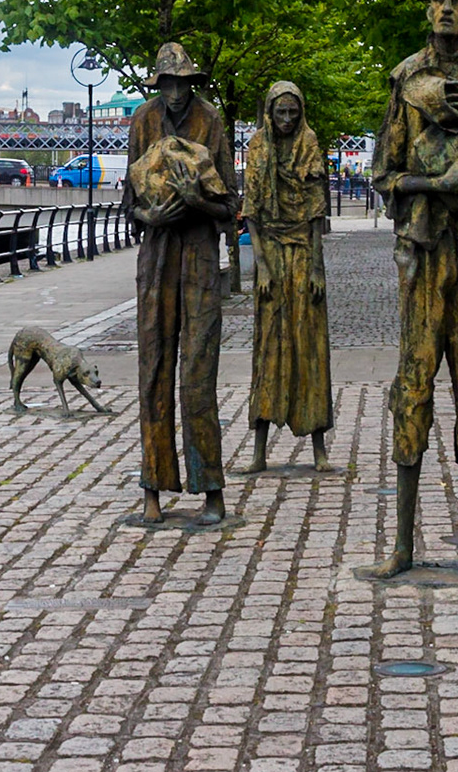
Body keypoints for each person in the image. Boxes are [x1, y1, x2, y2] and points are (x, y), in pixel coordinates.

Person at [367, 0, 458, 581]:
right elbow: (384, 176)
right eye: (438, 0)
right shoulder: (406, 78)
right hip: (423, 254)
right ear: (428, 9)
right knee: (414, 381)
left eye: (457, 2)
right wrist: (439, 186)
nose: (446, 9)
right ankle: (402, 544)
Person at [124, 43, 237, 526]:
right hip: (156, 258)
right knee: (153, 370)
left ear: (192, 84)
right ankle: (153, 485)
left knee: (197, 373)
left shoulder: (211, 121)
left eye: (181, 84)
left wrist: (196, 200)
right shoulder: (142, 121)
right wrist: (149, 214)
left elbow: (231, 206)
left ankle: (210, 488)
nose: (173, 93)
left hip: (198, 257)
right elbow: (129, 200)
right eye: (166, 84)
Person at [244, 80, 331, 474]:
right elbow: (253, 213)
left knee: (309, 345)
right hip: (272, 256)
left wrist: (316, 267)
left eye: (293, 112)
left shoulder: (309, 142)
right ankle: (259, 450)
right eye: (280, 112)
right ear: (269, 112)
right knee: (268, 348)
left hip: (301, 254)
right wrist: (260, 265)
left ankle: (319, 450)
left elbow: (316, 212)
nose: (286, 119)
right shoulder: (258, 146)